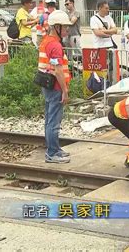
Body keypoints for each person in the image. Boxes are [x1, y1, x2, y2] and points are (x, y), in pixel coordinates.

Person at [37, 10, 72, 163]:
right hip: (56, 87)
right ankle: (52, 153)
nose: (67, 30)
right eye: (64, 27)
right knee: (54, 122)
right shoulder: (55, 45)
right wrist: (65, 91)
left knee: (49, 119)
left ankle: (55, 149)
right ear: (57, 27)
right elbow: (58, 70)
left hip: (47, 85)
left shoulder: (46, 41)